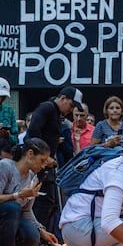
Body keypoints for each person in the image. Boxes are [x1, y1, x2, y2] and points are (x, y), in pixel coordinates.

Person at [0, 138, 58, 246]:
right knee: (13, 207)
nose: (43, 166)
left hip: (15, 218)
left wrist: (42, 230)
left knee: (33, 237)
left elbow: (27, 211)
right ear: (30, 154)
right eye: (42, 161)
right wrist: (18, 195)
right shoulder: (5, 166)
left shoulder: (33, 177)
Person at [27, 86, 84, 233]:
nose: (71, 110)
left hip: (45, 164)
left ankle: (38, 236)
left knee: (48, 201)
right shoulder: (47, 107)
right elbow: (33, 131)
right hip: (37, 163)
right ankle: (35, 236)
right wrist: (43, 157)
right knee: (40, 201)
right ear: (63, 98)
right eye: (71, 105)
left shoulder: (56, 113)